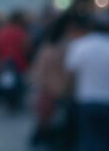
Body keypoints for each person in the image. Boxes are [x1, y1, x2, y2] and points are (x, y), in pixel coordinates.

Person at [65, 13, 109, 151]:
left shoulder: (80, 46)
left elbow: (71, 75)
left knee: (89, 140)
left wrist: (68, 94)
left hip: (86, 100)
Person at [30, 14, 75, 149]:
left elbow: (38, 72)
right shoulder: (65, 48)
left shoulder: (48, 48)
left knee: (49, 122)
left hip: (50, 90)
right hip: (58, 91)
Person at [0, 11, 31, 112]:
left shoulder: (0, 32)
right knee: (19, 84)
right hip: (18, 63)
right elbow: (27, 48)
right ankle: (16, 102)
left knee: (5, 83)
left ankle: (8, 101)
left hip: (4, 63)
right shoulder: (21, 32)